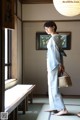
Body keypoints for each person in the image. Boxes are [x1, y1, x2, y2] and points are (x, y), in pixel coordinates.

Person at [43, 21, 68, 116]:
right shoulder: (55, 37)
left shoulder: (55, 38)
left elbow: (56, 53)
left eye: (47, 28)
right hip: (52, 65)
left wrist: (59, 65)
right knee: (51, 86)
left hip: (54, 65)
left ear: (53, 27)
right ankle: (54, 107)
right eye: (45, 29)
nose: (46, 30)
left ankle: (62, 108)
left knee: (54, 87)